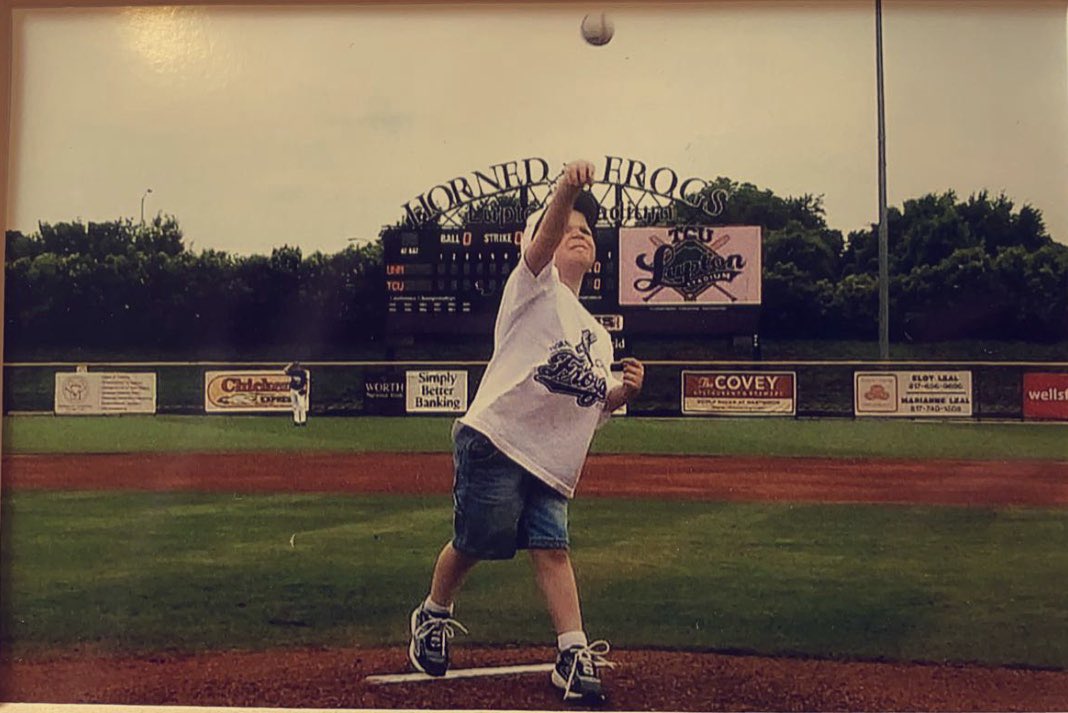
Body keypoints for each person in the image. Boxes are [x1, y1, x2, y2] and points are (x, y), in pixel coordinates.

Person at [407, 160, 645, 702]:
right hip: (497, 440)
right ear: (544, 241)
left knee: (553, 547)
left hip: (551, 462)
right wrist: (566, 190)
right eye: (567, 229)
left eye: (587, 231)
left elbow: (588, 406)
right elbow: (543, 240)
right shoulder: (532, 287)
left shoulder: (597, 338)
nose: (578, 232)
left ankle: (573, 652)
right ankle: (432, 614)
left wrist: (622, 394)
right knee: (476, 541)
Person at [283, 361, 309, 426]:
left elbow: (305, 382)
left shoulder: (302, 372)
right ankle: (296, 421)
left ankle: (303, 421)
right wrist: (290, 364)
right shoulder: (293, 372)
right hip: (293, 389)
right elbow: (285, 370)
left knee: (302, 406)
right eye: (295, 366)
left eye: (297, 366)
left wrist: (304, 389)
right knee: (295, 406)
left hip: (300, 389)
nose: (297, 367)